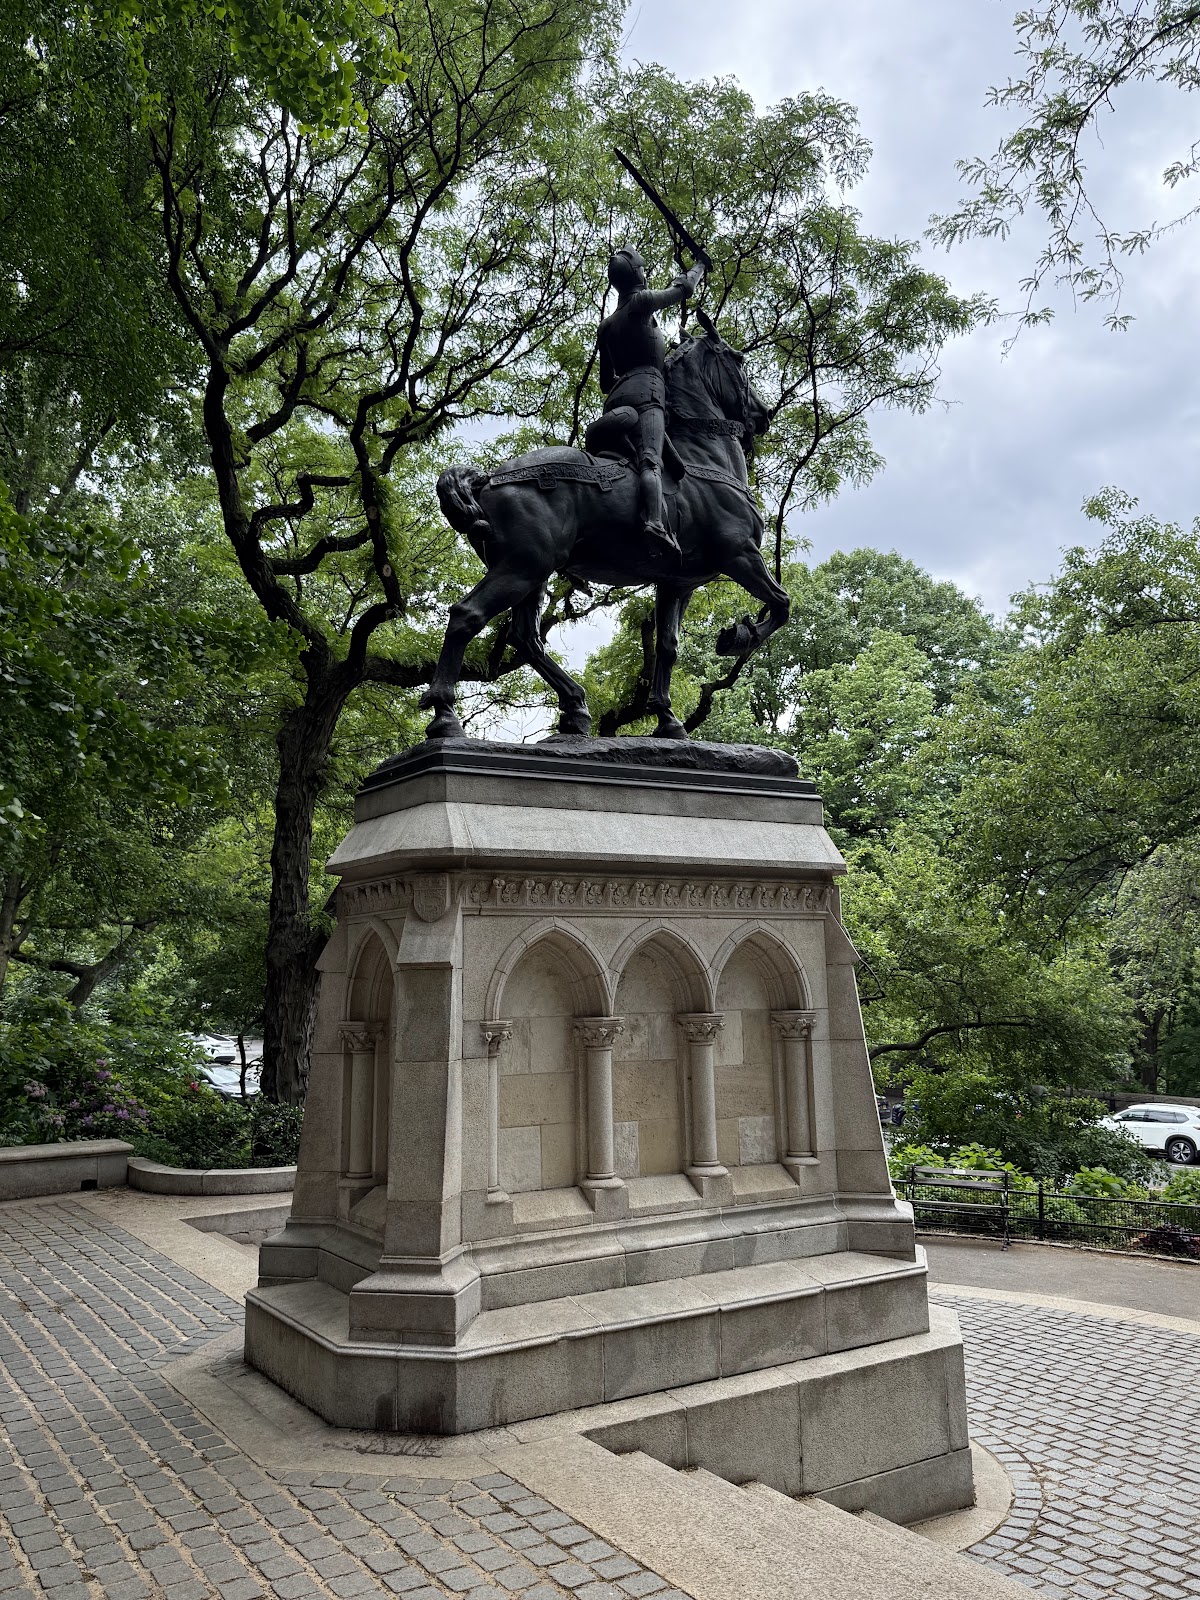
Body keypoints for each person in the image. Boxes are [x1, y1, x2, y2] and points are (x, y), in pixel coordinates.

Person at [598, 246, 705, 555]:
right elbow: (682, 289)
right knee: (649, 461)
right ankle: (655, 523)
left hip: (617, 401)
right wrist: (699, 266)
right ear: (637, 274)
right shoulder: (641, 303)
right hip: (647, 396)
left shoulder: (606, 326)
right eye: (643, 270)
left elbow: (607, 383)